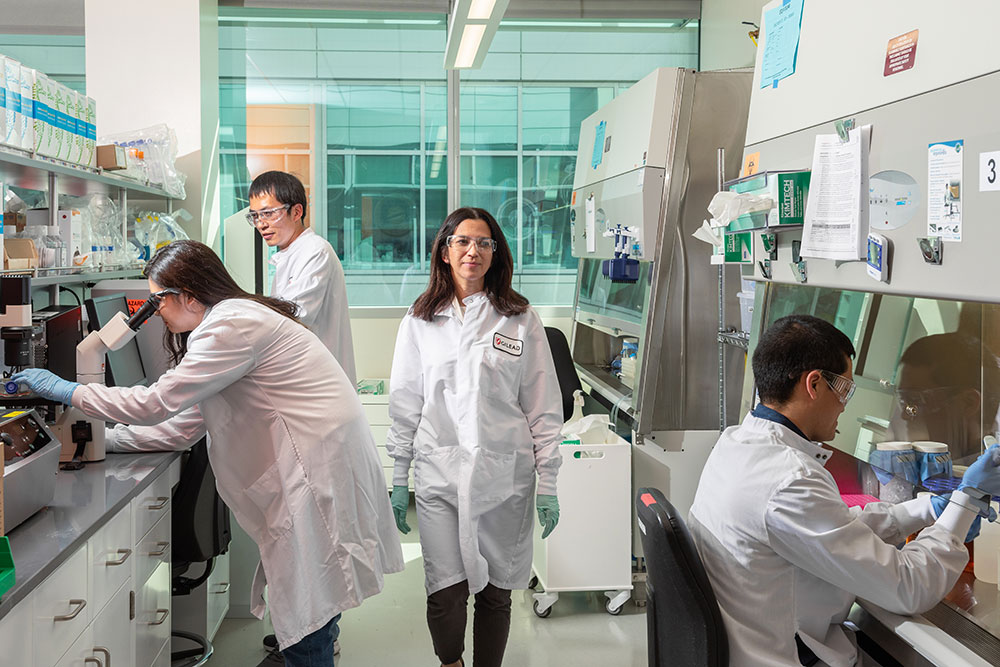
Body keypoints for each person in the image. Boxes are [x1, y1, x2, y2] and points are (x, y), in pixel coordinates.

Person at [13, 240, 403, 667]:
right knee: (311, 605)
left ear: (189, 293)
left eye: (158, 298)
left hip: (313, 474)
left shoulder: (231, 325)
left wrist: (68, 390)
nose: (156, 310)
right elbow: (185, 423)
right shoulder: (232, 323)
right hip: (319, 465)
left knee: (309, 614)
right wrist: (104, 441)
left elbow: (156, 404)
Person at [687, 314, 1000, 667]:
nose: (846, 404)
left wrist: (928, 509)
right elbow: (909, 588)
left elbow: (831, 526)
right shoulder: (790, 478)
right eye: (845, 390)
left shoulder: (736, 444)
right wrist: (967, 499)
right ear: (815, 384)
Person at [386, 207, 563, 667]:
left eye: (484, 243)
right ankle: (451, 663)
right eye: (462, 241)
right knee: (445, 590)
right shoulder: (420, 320)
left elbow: (542, 409)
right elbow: (405, 403)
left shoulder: (520, 320)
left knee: (496, 593)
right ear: (445, 251)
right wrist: (398, 474)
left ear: (496, 253)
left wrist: (549, 483)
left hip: (504, 477)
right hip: (440, 476)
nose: (473, 251)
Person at [249, 170, 356, 385]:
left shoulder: (315, 251)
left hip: (320, 382)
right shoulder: (290, 254)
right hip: (303, 379)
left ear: (296, 212)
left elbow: (294, 315)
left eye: (268, 213)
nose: (261, 224)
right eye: (255, 216)